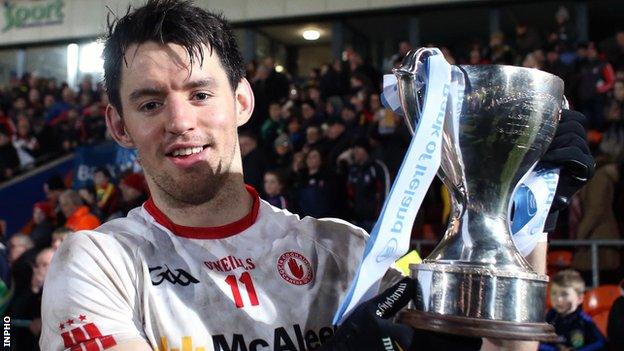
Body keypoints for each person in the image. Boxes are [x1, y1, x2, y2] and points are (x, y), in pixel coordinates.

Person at [40, 1, 594, 351]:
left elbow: (501, 349)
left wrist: (523, 213)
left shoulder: (350, 252)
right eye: (150, 102)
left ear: (241, 100)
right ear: (117, 123)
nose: (181, 122)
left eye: (200, 94)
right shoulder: (96, 263)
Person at [538, 270, 606, 351]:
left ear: (579, 298)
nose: (558, 299)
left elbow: (600, 343)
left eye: (564, 294)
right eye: (554, 293)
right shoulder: (549, 317)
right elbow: (537, 343)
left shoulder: (584, 321)